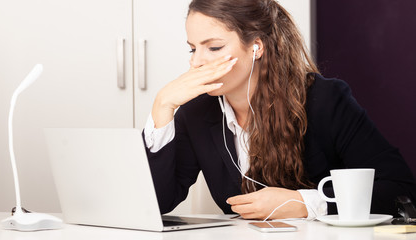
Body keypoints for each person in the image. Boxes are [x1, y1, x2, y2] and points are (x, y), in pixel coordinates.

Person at [143, 0, 416, 220]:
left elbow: (399, 189)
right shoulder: (197, 113)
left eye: (214, 47)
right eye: (192, 49)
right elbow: (158, 203)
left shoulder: (324, 98)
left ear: (256, 47)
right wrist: (162, 106)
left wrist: (305, 203)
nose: (197, 62)